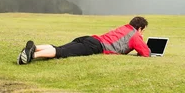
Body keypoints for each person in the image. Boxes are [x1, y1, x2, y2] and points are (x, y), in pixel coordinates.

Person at [17, 16, 150, 64]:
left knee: (60, 48)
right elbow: (146, 53)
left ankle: (34, 48)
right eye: (143, 30)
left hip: (90, 38)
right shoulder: (135, 35)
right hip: (96, 46)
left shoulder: (124, 28)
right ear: (140, 29)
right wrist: (141, 39)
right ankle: (32, 55)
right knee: (61, 52)